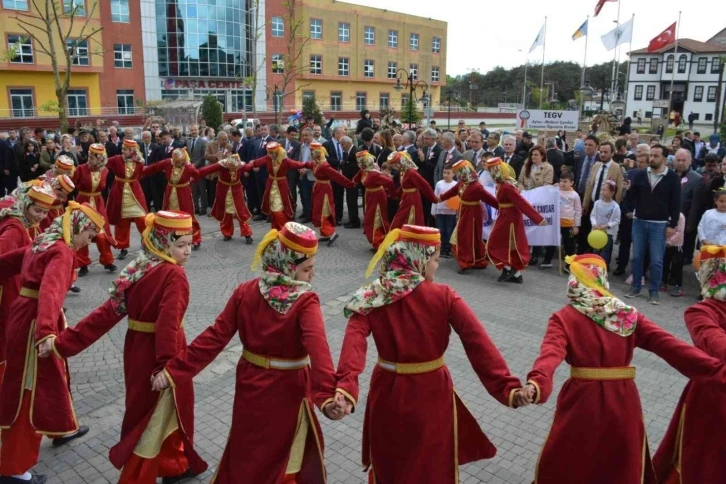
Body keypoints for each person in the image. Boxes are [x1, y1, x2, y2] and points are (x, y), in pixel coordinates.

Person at [151, 222, 345, 483]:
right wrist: (326, 396)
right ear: (288, 264)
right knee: (283, 459)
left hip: (249, 384)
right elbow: (319, 350)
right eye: (307, 269)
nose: (313, 276)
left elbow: (213, 338)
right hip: (288, 391)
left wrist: (174, 370)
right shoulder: (304, 301)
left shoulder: (246, 291)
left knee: (247, 451)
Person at [336, 225, 528, 483]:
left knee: (391, 464)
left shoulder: (372, 297)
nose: (436, 267)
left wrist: (347, 387)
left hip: (387, 393)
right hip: (432, 392)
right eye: (435, 260)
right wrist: (508, 388)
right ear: (420, 260)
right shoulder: (444, 296)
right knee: (432, 465)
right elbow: (477, 342)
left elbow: (353, 342)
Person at [522, 253, 726, 484]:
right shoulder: (627, 314)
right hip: (623, 399)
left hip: (581, 400)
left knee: (572, 456)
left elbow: (550, 354)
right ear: (602, 279)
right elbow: (671, 347)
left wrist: (537, 382)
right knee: (620, 461)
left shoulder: (563, 318)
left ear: (575, 280)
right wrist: (717, 372)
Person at [46, 211, 207, 484]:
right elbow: (168, 324)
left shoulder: (140, 267)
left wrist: (63, 344)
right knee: (162, 410)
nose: (187, 251)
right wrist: (167, 366)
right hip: (163, 352)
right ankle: (141, 472)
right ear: (162, 242)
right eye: (180, 245)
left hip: (135, 349)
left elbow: (106, 314)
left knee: (144, 407)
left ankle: (174, 464)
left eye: (190, 244)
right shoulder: (173, 275)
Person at [0, 201, 106, 484]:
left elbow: (10, 262)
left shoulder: (44, 242)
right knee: (28, 392)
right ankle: (13, 468)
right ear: (80, 228)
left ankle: (50, 434)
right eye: (90, 235)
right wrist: (47, 332)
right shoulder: (61, 250)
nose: (89, 242)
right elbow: (50, 291)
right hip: (34, 323)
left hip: (20, 318)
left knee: (29, 387)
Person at [653, 244, 726, 483]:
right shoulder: (702, 312)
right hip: (712, 395)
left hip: (710, 396)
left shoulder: (699, 312)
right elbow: (714, 341)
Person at [0, 184, 55, 390]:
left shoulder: (21, 220)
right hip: (7, 293)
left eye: (45, 212)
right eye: (37, 210)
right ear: (25, 205)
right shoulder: (16, 228)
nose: (41, 216)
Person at [624, 144, 681, 304]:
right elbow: (630, 196)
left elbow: (676, 203)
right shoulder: (641, 175)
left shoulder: (672, 177)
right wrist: (629, 210)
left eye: (656, 156)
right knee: (636, 257)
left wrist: (673, 224)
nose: (652, 158)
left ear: (664, 158)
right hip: (639, 222)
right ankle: (636, 287)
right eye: (651, 155)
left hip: (659, 224)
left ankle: (653, 291)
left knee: (656, 260)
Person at [484, 158, 546, 283]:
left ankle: (507, 268)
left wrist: (537, 218)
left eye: (492, 170)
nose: (490, 173)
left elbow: (522, 203)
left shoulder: (507, 187)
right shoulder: (502, 184)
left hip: (510, 218)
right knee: (510, 246)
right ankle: (516, 275)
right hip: (505, 216)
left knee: (495, 243)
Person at [439, 160, 499, 274]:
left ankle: (466, 262)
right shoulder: (463, 182)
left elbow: (490, 199)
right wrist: (440, 198)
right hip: (464, 212)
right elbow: (453, 191)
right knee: (469, 237)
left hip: (472, 215)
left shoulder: (476, 186)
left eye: (458, 172)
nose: (457, 175)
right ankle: (476, 260)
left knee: (465, 237)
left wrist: (503, 207)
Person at [141, 148, 203, 250]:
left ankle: (195, 238)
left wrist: (190, 181)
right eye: (175, 161)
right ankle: (168, 237)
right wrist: (140, 169)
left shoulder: (189, 167)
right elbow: (153, 168)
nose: (177, 164)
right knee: (168, 215)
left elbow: (197, 175)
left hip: (184, 192)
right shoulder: (167, 163)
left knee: (188, 216)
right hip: (170, 192)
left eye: (179, 162)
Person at [74, 143, 118, 276]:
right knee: (82, 233)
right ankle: (83, 264)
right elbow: (72, 184)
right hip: (82, 202)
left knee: (102, 235)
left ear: (100, 158)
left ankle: (108, 261)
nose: (90, 159)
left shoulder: (105, 171)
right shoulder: (81, 169)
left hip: (98, 203)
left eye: (93, 157)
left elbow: (106, 186)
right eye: (89, 156)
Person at [251, 142, 310, 230]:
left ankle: (283, 230)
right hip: (270, 187)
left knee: (278, 210)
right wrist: (242, 165)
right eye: (268, 152)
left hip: (281, 186)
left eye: (271, 153)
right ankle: (275, 230)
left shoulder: (285, 160)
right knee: (273, 211)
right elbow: (255, 162)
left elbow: (297, 164)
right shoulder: (268, 158)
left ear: (276, 152)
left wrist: (310, 164)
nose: (268, 154)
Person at [197, 154, 254, 244]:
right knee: (225, 212)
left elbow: (250, 166)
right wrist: (193, 174)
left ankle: (247, 234)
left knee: (241, 212)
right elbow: (206, 170)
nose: (233, 169)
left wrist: (254, 163)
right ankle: (227, 233)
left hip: (236, 190)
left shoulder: (241, 166)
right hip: (223, 190)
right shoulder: (221, 165)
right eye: (231, 167)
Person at [107, 139, 149, 260]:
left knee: (142, 219)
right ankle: (122, 247)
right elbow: (104, 163)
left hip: (134, 193)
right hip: (119, 192)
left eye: (125, 149)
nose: (122, 151)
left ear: (132, 150)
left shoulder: (139, 162)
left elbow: (142, 174)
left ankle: (148, 243)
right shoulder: (116, 159)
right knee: (121, 221)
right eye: (122, 149)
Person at [308, 142, 354, 245]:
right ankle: (325, 233)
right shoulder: (317, 163)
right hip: (319, 188)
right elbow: (307, 164)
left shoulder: (324, 166)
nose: (312, 154)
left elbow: (337, 176)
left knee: (324, 211)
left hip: (324, 190)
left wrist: (350, 184)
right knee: (318, 210)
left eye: (313, 152)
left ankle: (331, 233)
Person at [352, 150, 396, 250]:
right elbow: (356, 179)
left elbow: (389, 182)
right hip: (369, 195)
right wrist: (350, 183)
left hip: (377, 196)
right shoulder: (364, 171)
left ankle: (379, 242)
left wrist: (393, 194)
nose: (359, 164)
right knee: (370, 218)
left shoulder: (373, 174)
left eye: (360, 162)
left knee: (377, 218)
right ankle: (376, 240)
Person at [387, 151, 438, 230]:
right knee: (400, 220)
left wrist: (434, 199)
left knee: (404, 220)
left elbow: (424, 185)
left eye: (394, 164)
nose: (393, 167)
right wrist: (395, 195)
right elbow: (403, 186)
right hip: (406, 198)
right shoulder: (404, 171)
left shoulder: (411, 172)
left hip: (412, 200)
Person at [542, 169, 581, 269]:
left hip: (569, 225)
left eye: (565, 181)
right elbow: (546, 193)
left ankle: (569, 264)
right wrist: (552, 187)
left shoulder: (575, 195)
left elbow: (578, 210)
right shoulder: (556, 191)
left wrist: (576, 225)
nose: (562, 183)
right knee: (552, 241)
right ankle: (547, 260)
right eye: (561, 181)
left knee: (569, 245)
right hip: (555, 222)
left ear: (572, 183)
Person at [589, 180, 621, 270]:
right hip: (596, 231)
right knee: (595, 251)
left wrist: (607, 225)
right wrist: (594, 224)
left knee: (605, 252)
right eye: (602, 190)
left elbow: (617, 220)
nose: (602, 192)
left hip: (608, 233)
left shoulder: (615, 206)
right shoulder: (597, 203)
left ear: (612, 192)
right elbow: (593, 216)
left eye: (605, 190)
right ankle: (594, 268)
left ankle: (603, 269)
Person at [431, 164, 457, 258]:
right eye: (444, 172)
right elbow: (435, 197)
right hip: (440, 211)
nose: (446, 175)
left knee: (449, 230)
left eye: (448, 173)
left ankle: (448, 248)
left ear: (454, 173)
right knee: (440, 230)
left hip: (451, 212)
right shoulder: (439, 184)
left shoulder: (455, 185)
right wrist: (433, 210)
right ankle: (441, 248)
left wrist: (457, 211)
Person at [661, 212, 685, 297]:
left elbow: (680, 232)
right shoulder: (663, 212)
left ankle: (678, 286)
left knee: (677, 266)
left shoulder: (680, 216)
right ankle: (663, 282)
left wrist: (670, 241)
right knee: (664, 263)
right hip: (664, 244)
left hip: (676, 245)